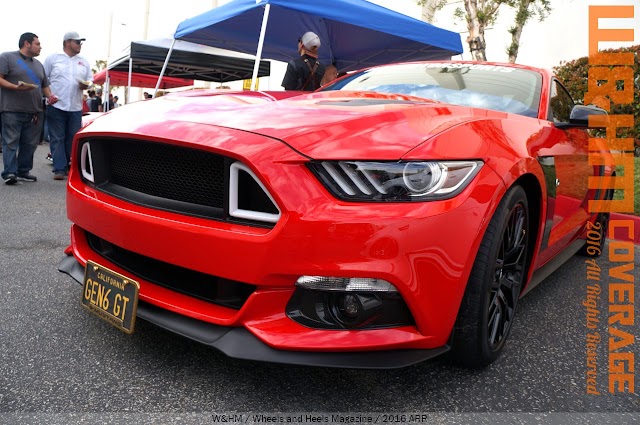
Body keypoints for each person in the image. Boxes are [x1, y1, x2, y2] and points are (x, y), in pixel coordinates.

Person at [0, 32, 58, 185]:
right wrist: (14, 87)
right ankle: (10, 173)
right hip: (11, 109)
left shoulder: (39, 65)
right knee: (11, 142)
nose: (40, 47)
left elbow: (44, 86)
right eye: (37, 44)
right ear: (27, 43)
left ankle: (23, 171)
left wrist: (50, 96)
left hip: (35, 110)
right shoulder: (7, 57)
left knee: (30, 143)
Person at [44, 31, 93, 180]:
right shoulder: (53, 58)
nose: (80, 45)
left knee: (71, 138)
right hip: (56, 104)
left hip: (75, 107)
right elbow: (43, 79)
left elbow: (90, 80)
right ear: (67, 42)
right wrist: (47, 97)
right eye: (77, 42)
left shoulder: (83, 61)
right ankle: (59, 168)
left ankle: (64, 165)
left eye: (80, 43)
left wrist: (86, 86)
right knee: (57, 137)